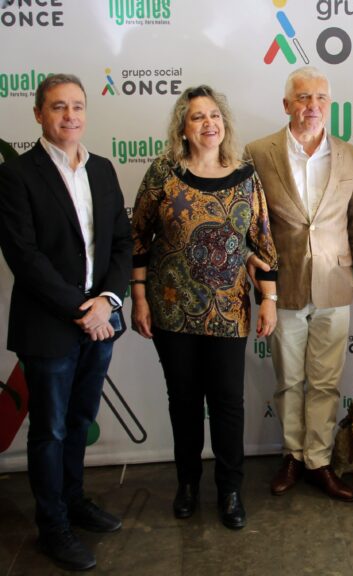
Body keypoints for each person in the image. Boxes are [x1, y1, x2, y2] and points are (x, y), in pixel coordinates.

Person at [130, 85, 278, 529]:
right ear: (183, 128)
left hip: (229, 313)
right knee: (184, 403)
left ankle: (230, 490)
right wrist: (139, 296)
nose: (208, 123)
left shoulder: (246, 176)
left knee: (229, 403)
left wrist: (268, 299)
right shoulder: (164, 173)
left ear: (224, 124)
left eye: (214, 115)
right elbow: (137, 236)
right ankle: (188, 484)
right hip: (172, 310)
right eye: (197, 117)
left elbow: (262, 241)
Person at [0, 74, 132, 571]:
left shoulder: (102, 168)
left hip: (101, 321)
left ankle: (74, 502)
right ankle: (52, 527)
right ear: (38, 113)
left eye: (77, 106)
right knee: (50, 431)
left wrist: (107, 302)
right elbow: (25, 257)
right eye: (58, 107)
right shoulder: (17, 175)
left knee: (79, 421)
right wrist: (83, 310)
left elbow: (121, 243)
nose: (70, 115)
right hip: (50, 326)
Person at [245, 66, 353, 502]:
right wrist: (263, 286)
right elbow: (252, 227)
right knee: (289, 380)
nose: (313, 106)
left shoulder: (349, 155)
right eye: (304, 98)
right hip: (282, 286)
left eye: (321, 98)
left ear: (330, 104)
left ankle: (319, 460)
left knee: (326, 383)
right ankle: (292, 455)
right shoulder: (258, 152)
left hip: (334, 284)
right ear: (286, 104)